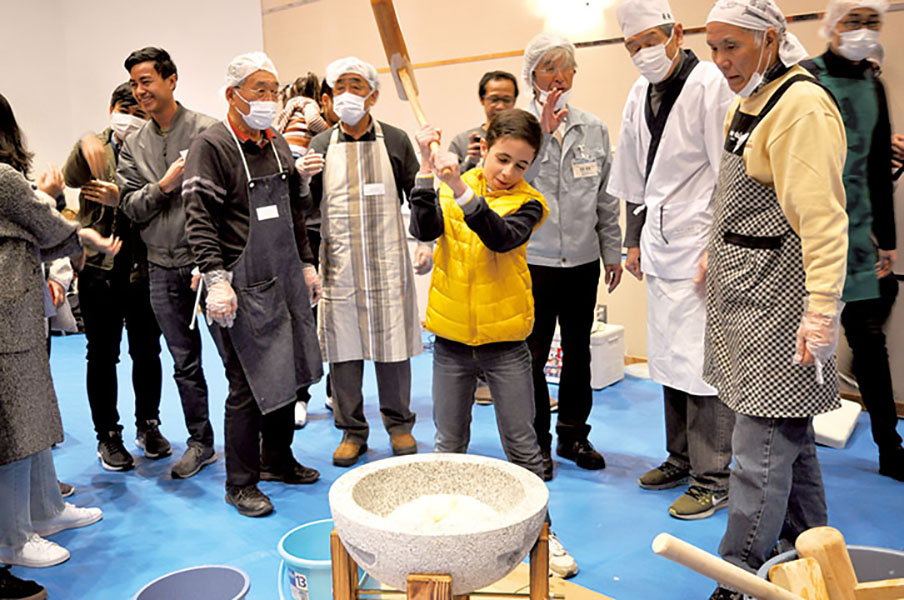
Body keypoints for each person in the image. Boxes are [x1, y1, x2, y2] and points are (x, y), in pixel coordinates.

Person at [703, 1, 849, 596]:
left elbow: (821, 220)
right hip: (747, 297)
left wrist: (820, 310)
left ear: (771, 38)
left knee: (757, 459)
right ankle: (816, 553)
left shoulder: (801, 107)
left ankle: (736, 576)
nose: (720, 62)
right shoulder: (754, 97)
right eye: (713, 47)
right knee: (792, 445)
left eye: (731, 46)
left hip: (780, 311)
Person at [409, 110, 578, 578]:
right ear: (484, 148)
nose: (508, 173)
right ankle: (448, 536)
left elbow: (500, 240)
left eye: (521, 165)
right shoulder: (447, 182)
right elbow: (423, 229)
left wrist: (461, 191)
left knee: (524, 449)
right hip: (450, 340)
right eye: (502, 159)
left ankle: (543, 537)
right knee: (449, 444)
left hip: (506, 344)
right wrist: (426, 168)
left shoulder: (531, 203)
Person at [609, 0, 736, 520]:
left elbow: (729, 171)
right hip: (661, 246)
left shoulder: (710, 83)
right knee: (668, 361)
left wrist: (717, 246)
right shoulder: (639, 93)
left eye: (649, 41)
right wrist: (632, 239)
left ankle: (714, 477)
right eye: (632, 46)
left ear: (676, 32)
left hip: (701, 243)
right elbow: (632, 176)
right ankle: (680, 459)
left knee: (701, 368)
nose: (642, 54)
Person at [183, 52, 323, 517]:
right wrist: (217, 280)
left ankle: (277, 460)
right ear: (232, 94)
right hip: (238, 286)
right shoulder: (213, 145)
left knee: (288, 371)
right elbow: (199, 219)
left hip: (283, 277)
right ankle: (240, 482)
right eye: (259, 89)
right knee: (246, 384)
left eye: (273, 89)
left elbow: (294, 210)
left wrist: (306, 263)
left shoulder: (276, 141)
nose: (269, 99)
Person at [297, 56, 432, 467]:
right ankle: (352, 430)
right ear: (328, 98)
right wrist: (300, 182)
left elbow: (419, 195)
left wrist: (425, 241)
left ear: (373, 95)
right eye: (339, 88)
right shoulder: (320, 146)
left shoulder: (395, 140)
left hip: (387, 259)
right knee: (343, 349)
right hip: (338, 263)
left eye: (356, 86)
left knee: (392, 346)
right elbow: (304, 210)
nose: (347, 95)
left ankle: (399, 424)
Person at [1, 92, 110, 569]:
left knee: (34, 418)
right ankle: (13, 537)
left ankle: (45, 510)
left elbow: (36, 238)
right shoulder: (4, 179)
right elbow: (48, 226)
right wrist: (53, 199)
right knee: (16, 430)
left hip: (20, 317)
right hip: (8, 324)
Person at [802, 0, 902, 482]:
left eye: (871, 22)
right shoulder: (806, 76)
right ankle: (793, 453)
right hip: (806, 236)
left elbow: (880, 166)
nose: (862, 30)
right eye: (852, 20)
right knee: (797, 346)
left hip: (859, 235)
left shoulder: (873, 85)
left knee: (869, 344)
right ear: (831, 25)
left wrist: (888, 239)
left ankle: (890, 447)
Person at [521, 33, 622, 480]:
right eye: (549, 68)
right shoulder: (517, 126)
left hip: (582, 263)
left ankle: (574, 434)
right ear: (532, 75)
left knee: (578, 352)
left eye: (567, 69)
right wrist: (539, 134)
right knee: (532, 355)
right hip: (533, 264)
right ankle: (536, 441)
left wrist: (613, 251)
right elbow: (510, 186)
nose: (559, 78)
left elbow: (605, 197)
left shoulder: (593, 127)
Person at [118, 47, 219, 480]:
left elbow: (228, 199)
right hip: (160, 266)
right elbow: (131, 207)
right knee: (184, 362)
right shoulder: (132, 144)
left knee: (238, 358)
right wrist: (164, 186)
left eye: (147, 81)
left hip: (210, 265)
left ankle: (252, 438)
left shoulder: (207, 132)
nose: (141, 91)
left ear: (171, 80)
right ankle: (201, 442)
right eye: (135, 84)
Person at [62, 82, 168, 472]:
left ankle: (149, 425)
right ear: (112, 109)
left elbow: (161, 195)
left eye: (139, 112)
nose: (131, 117)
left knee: (147, 350)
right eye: (125, 109)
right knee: (102, 354)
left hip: (143, 264)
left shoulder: (154, 149)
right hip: (98, 270)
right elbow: (72, 176)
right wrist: (83, 142)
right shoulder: (96, 147)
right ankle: (108, 435)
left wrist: (118, 195)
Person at [447, 71, 519, 173]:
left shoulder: (522, 140)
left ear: (514, 101)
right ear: (482, 99)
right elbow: (447, 182)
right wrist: (471, 162)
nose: (500, 106)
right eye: (494, 99)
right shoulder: (461, 142)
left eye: (507, 100)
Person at [275, 72, 329, 158]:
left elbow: (279, 129)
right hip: (299, 150)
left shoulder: (290, 105)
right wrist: (329, 131)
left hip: (284, 150)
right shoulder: (308, 103)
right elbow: (313, 122)